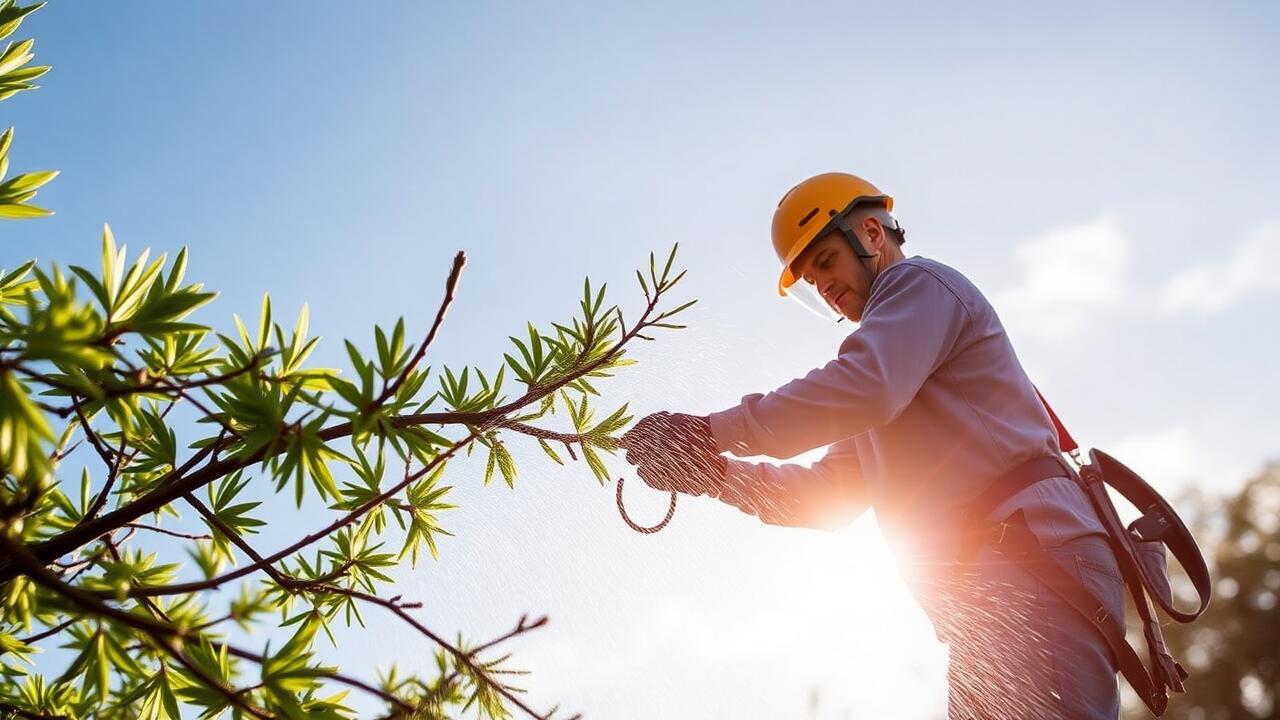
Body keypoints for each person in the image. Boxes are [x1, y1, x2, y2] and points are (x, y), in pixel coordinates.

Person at [620, 172, 1127, 719]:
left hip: (1028, 560)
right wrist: (712, 474)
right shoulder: (888, 371)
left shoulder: (918, 286)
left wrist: (710, 432)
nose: (824, 286)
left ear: (869, 232)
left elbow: (867, 386)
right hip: (998, 579)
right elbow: (824, 497)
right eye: (812, 281)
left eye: (826, 262)